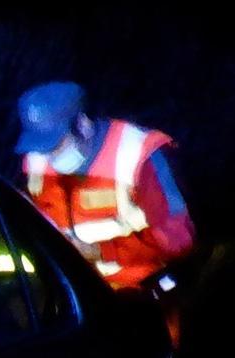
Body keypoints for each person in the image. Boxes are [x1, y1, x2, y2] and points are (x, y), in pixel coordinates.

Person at [15, 82, 195, 292]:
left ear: (82, 124)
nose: (48, 155)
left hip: (142, 292)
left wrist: (101, 251)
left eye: (55, 144)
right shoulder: (35, 160)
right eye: (40, 145)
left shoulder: (138, 154)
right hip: (75, 293)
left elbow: (178, 238)